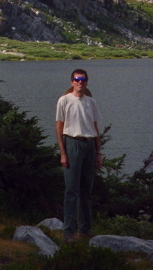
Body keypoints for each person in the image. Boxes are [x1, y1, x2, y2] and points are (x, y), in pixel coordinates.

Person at [55, 68, 102, 242]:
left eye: (82, 79)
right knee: (71, 190)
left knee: (86, 191)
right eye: (77, 79)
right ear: (72, 82)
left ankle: (85, 229)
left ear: (86, 82)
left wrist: (98, 153)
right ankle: (68, 232)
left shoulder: (91, 102)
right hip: (72, 144)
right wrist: (63, 153)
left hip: (89, 145)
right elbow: (59, 127)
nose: (80, 82)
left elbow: (96, 128)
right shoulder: (64, 101)